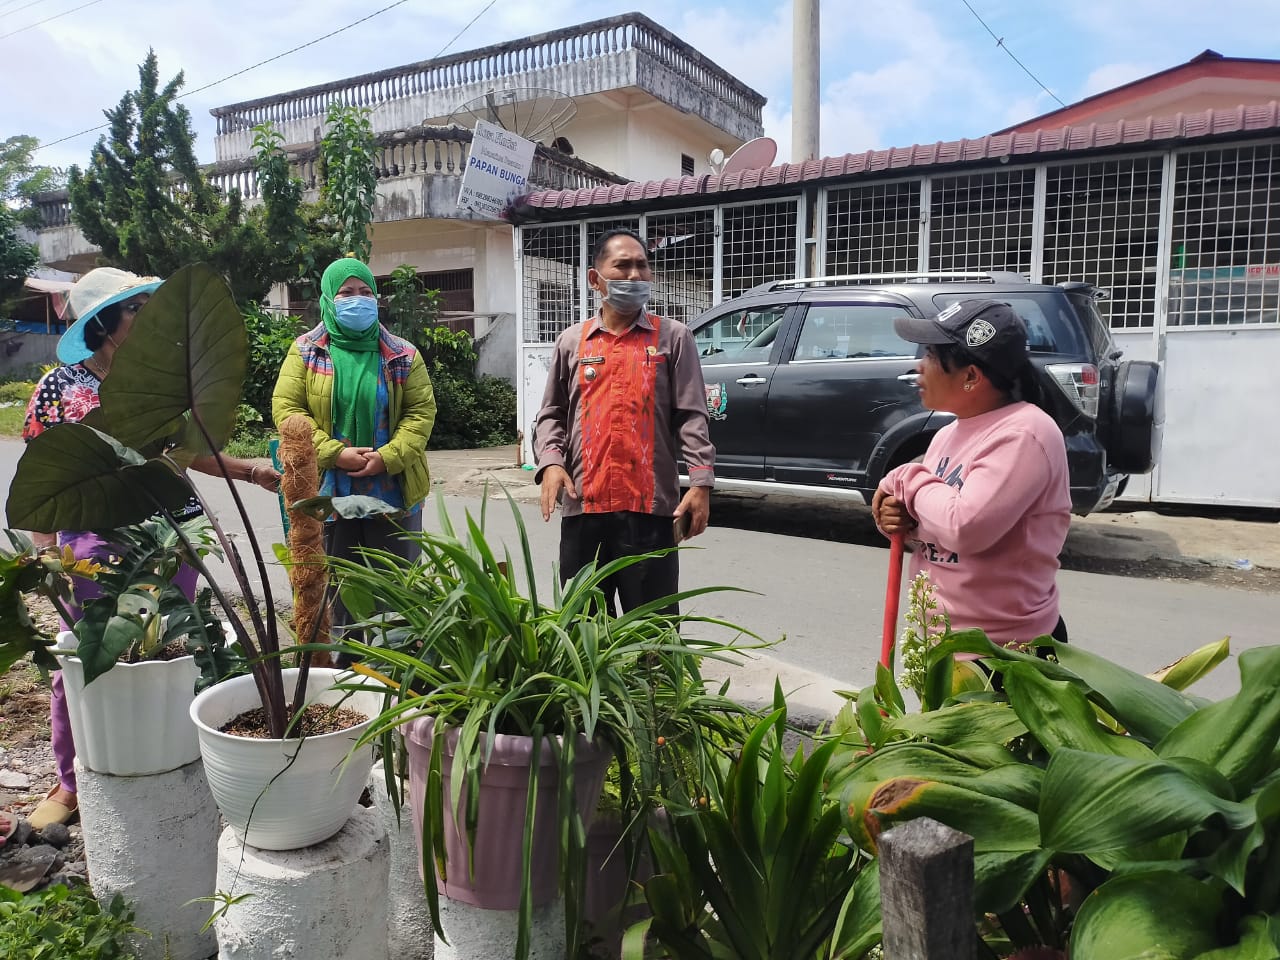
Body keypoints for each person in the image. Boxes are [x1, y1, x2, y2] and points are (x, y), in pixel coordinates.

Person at [22, 267, 281, 831]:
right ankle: (72, 779)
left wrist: (252, 470)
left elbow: (191, 454)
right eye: (136, 308)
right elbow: (44, 476)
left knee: (177, 648)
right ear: (104, 324)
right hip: (96, 536)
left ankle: (177, 756)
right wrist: (47, 553)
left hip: (172, 535)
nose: (147, 317)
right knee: (92, 654)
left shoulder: (162, 387)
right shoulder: (60, 389)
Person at [533, 229, 715, 614]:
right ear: (595, 279)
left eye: (642, 266)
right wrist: (551, 462)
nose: (634, 275)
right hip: (585, 506)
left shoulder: (674, 338)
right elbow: (551, 413)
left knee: (653, 634)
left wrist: (700, 484)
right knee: (584, 627)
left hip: (649, 510)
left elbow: (691, 415)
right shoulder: (572, 342)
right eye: (622, 266)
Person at [871, 299, 1071, 647]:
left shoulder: (1024, 432)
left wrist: (904, 478)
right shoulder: (949, 433)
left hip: (1005, 652)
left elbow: (966, 527)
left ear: (970, 376)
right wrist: (899, 517)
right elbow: (931, 523)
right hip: (943, 641)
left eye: (932, 356)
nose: (919, 367)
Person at [271, 258, 436, 643]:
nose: (357, 301)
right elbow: (287, 410)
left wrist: (388, 457)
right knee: (335, 590)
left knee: (394, 590)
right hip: (327, 490)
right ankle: (342, 679)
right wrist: (333, 452)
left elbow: (420, 412)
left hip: (393, 491)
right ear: (329, 299)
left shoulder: (403, 354)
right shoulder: (305, 352)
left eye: (365, 293)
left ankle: (395, 680)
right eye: (346, 293)